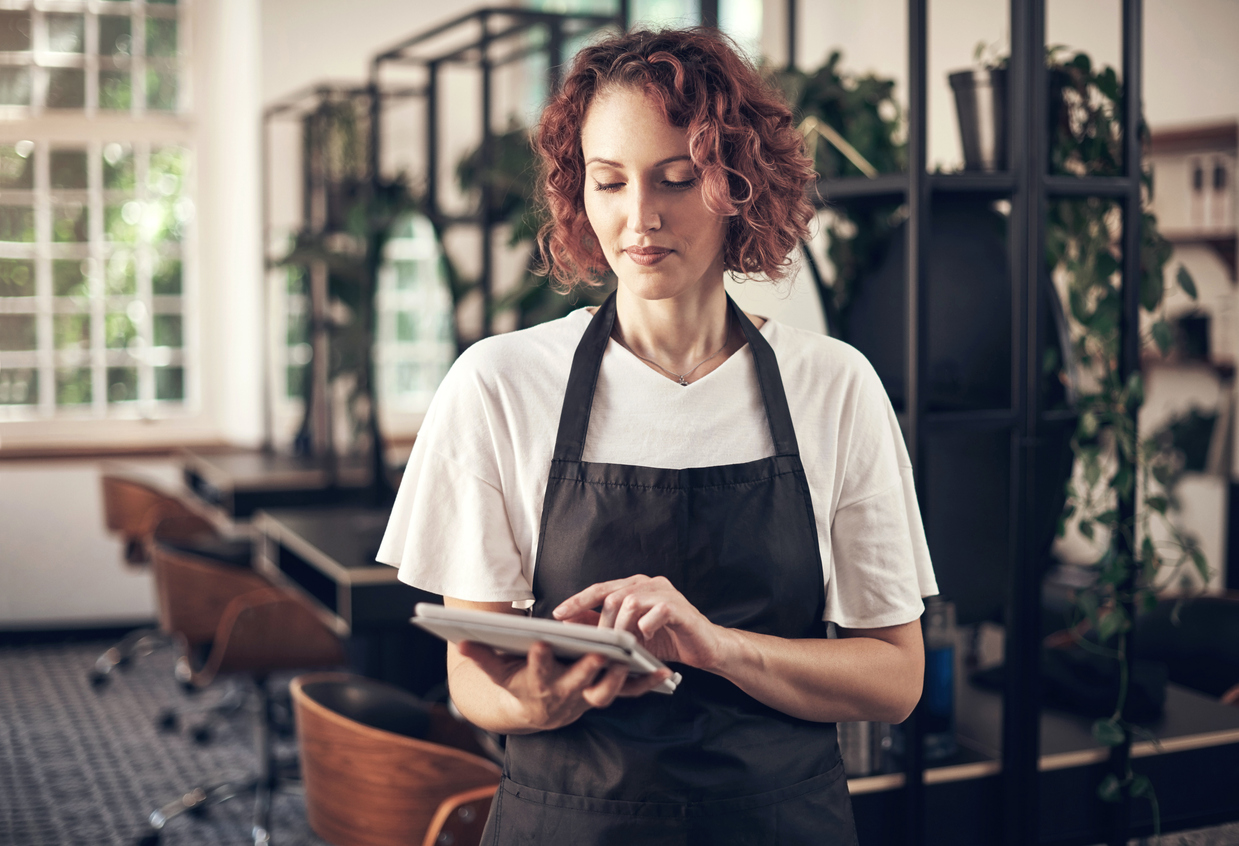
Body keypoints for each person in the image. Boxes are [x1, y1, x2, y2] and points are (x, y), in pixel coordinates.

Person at [377, 27, 936, 845]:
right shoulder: (497, 385)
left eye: (676, 179)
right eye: (608, 183)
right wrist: (551, 696)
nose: (638, 219)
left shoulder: (835, 387)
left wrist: (715, 648)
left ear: (738, 183)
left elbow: (893, 678)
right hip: (566, 823)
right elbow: (471, 674)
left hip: (776, 826)